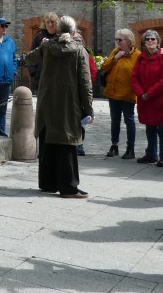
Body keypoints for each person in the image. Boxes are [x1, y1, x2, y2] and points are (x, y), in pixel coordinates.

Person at [25, 15, 93, 198]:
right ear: (73, 32)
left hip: (47, 102)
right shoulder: (79, 51)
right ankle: (69, 187)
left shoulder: (47, 46)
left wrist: (42, 44)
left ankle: (47, 183)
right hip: (68, 104)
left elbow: (29, 59)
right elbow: (86, 84)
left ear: (58, 30)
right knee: (67, 144)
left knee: (48, 142)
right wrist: (89, 109)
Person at [131, 30, 163, 167]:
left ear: (158, 42)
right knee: (150, 127)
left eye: (153, 39)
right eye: (147, 39)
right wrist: (140, 92)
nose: (150, 42)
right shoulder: (141, 57)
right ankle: (151, 153)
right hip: (145, 99)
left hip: (160, 99)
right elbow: (134, 76)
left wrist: (150, 93)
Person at [102, 29, 140, 159]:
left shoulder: (137, 56)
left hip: (127, 94)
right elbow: (105, 67)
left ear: (129, 41)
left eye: (120, 40)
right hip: (113, 93)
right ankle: (114, 145)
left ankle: (130, 148)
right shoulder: (115, 52)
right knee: (115, 120)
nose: (117, 42)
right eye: (116, 40)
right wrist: (114, 58)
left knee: (129, 121)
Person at [28, 13, 59, 94]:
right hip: (41, 78)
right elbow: (31, 56)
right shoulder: (39, 37)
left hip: (58, 78)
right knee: (41, 105)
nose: (50, 24)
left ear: (56, 23)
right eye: (47, 22)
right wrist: (34, 72)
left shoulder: (61, 37)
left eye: (52, 22)